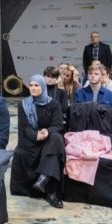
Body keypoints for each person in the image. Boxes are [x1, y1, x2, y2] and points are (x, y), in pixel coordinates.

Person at [10, 75, 65, 208]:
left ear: (43, 87)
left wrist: (47, 132)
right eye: (31, 85)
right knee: (54, 151)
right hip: (32, 141)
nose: (33, 88)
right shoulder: (24, 105)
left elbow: (58, 125)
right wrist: (36, 135)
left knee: (56, 138)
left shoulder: (54, 104)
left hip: (48, 140)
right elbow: (24, 128)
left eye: (36, 85)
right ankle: (51, 192)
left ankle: (43, 179)